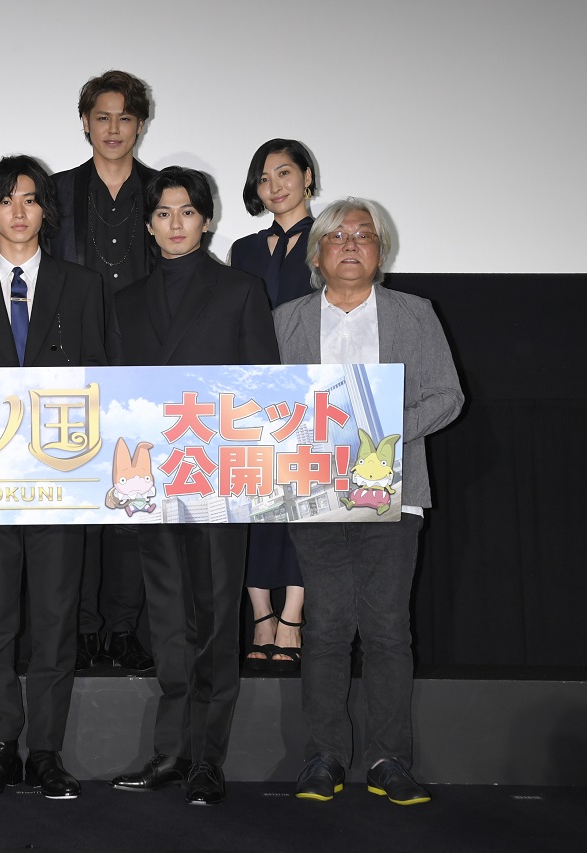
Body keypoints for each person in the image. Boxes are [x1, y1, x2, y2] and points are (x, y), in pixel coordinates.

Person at [275, 198, 463, 806]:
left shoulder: (413, 313)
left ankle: (389, 760)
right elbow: (270, 404)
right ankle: (324, 756)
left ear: (381, 251)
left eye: (364, 234)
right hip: (315, 491)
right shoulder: (286, 320)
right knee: (327, 626)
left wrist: (382, 432)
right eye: (337, 235)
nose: (351, 243)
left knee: (386, 628)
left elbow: (447, 395)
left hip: (395, 490)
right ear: (317, 254)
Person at [0, 155, 108, 800]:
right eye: (7, 200)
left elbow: (99, 379)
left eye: (31, 199)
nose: (18, 211)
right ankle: (1, 747)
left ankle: (47, 753)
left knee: (57, 618)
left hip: (60, 479)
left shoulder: (81, 286)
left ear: (46, 211)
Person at [108, 167, 279, 806]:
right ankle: (170, 753)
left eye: (186, 212)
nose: (175, 223)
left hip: (219, 478)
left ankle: (208, 758)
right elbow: (117, 396)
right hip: (151, 481)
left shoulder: (240, 290)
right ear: (149, 225)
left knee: (214, 617)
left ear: (206, 220)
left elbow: (262, 389)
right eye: (163, 213)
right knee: (168, 618)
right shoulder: (124, 301)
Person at [46, 69, 157, 673]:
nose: (113, 129)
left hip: (143, 365)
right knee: (76, 504)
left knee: (134, 498)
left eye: (125, 118)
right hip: (70, 366)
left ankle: (123, 627)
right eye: (102, 117)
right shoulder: (56, 193)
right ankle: (81, 627)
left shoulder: (162, 190)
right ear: (85, 123)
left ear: (140, 125)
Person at [229, 139, 320, 672]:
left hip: (311, 391)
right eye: (263, 179)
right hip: (253, 392)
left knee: (304, 504)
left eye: (284, 173)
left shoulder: (330, 238)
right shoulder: (243, 249)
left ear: (307, 176)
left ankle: (293, 615)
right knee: (255, 503)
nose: (274, 186)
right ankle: (261, 615)